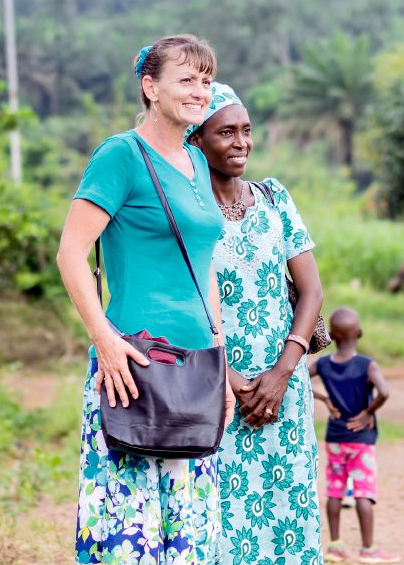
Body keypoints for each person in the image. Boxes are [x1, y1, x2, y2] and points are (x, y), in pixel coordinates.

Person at [57, 35, 234, 564]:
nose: (200, 91)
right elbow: (71, 253)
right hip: (131, 359)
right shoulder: (120, 156)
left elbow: (205, 272)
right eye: (187, 80)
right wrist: (104, 342)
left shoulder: (197, 163)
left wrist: (221, 360)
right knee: (127, 529)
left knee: (189, 531)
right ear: (150, 87)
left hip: (197, 362)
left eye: (206, 81)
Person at [186, 83, 325, 565]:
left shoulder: (274, 198)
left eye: (246, 130)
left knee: (289, 512)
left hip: (283, 390)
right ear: (196, 139)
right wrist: (228, 379)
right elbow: (184, 301)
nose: (241, 142)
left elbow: (311, 291)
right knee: (218, 518)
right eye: (226, 132)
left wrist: (282, 374)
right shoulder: (186, 210)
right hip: (214, 393)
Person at [310, 308, 401, 564]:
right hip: (361, 439)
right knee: (363, 493)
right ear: (359, 333)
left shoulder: (324, 364)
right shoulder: (366, 365)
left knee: (335, 491)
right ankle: (368, 549)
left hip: (335, 437)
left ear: (331, 335)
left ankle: (336, 546)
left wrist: (324, 398)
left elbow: (300, 378)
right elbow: (384, 392)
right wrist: (367, 413)